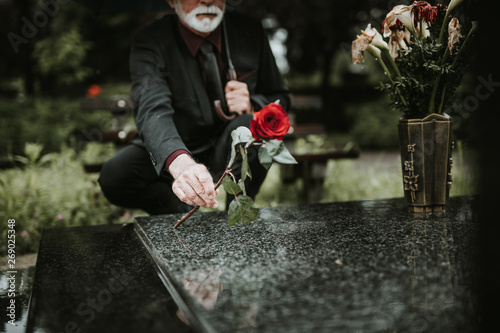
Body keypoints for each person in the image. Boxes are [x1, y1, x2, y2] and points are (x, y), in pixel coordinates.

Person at [98, 0, 290, 215]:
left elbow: (280, 98)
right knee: (115, 176)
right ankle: (179, 211)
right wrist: (180, 164)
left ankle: (238, 214)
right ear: (172, 1)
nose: (207, 0)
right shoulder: (150, 40)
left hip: (227, 146)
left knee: (253, 125)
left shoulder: (250, 30)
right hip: (175, 141)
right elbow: (152, 109)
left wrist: (254, 105)